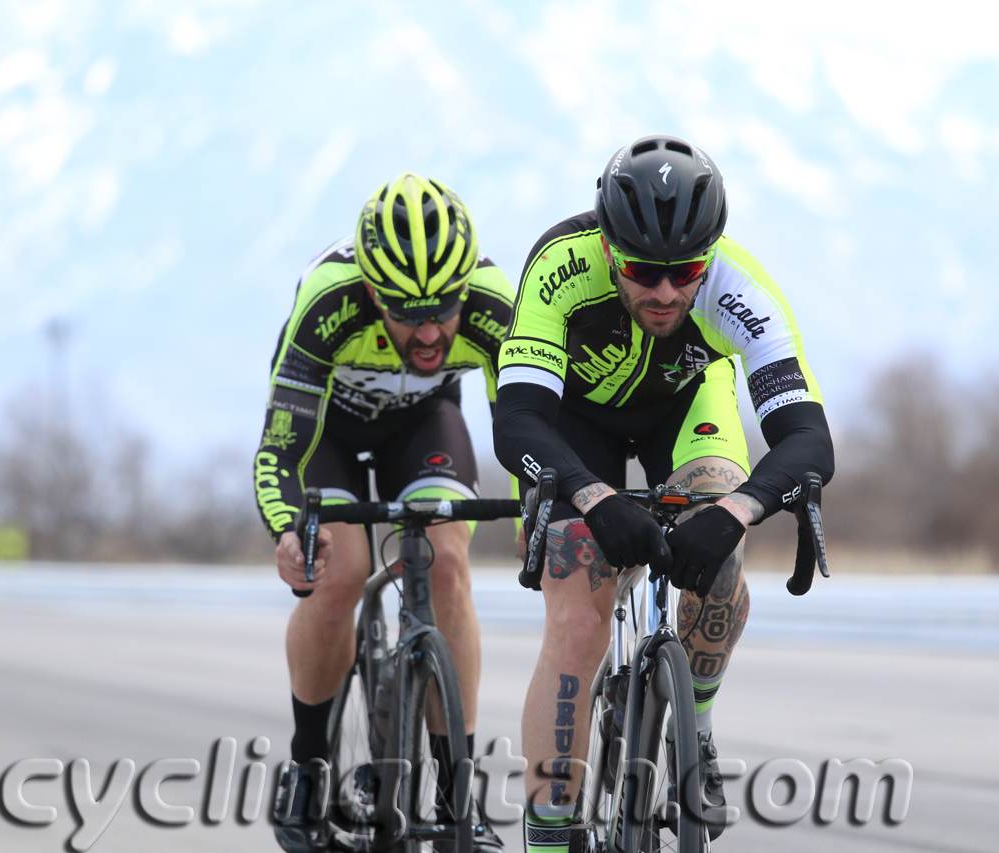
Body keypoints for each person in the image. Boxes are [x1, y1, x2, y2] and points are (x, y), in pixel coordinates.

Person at [493, 135, 835, 849]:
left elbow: (808, 440)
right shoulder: (562, 265)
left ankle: (697, 725)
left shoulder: (740, 287)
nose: (666, 292)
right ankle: (552, 828)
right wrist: (592, 498)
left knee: (723, 548)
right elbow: (520, 418)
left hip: (685, 406)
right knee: (580, 616)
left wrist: (736, 514)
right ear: (609, 248)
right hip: (577, 422)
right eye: (644, 272)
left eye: (686, 272)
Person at [255, 173, 514, 852]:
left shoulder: (493, 303)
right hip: (328, 436)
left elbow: (533, 424)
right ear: (372, 293)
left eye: (444, 308)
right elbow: (280, 449)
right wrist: (289, 528)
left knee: (447, 566)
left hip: (423, 425)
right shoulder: (328, 301)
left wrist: (539, 512)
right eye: (406, 311)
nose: (430, 330)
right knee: (338, 574)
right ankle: (309, 766)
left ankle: (460, 790)